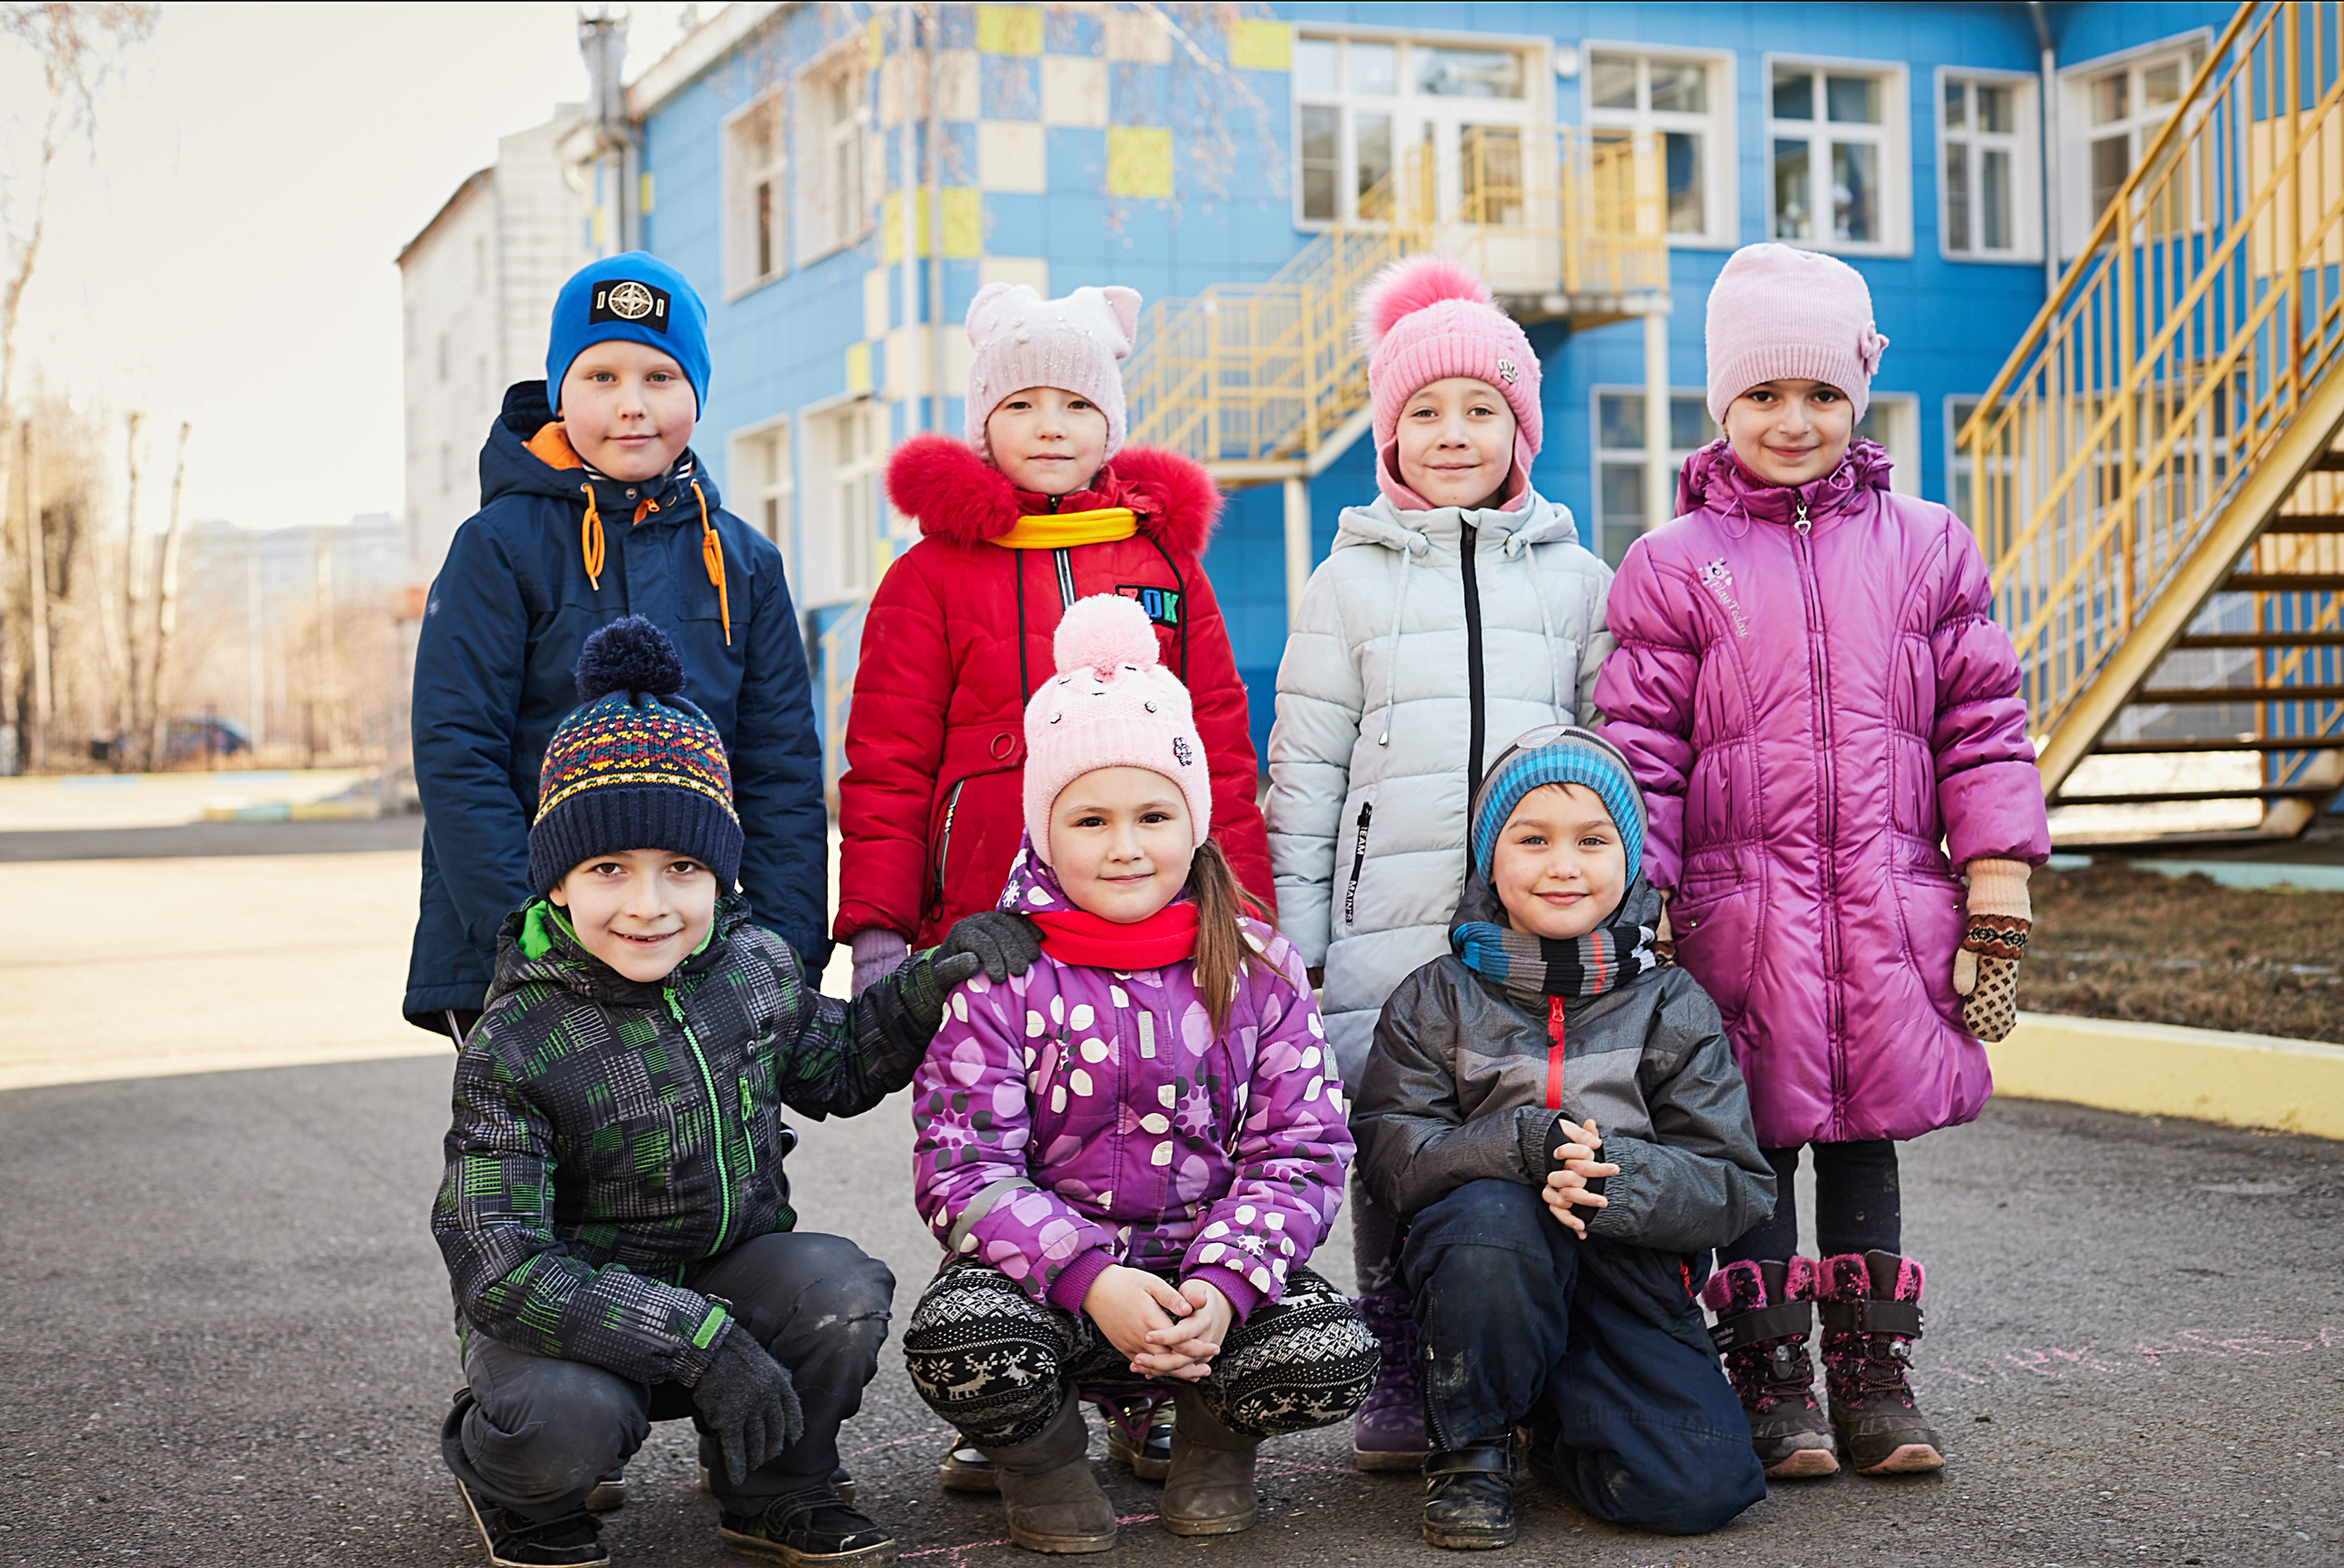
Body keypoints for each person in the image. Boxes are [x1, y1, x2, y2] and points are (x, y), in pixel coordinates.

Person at [432, 617, 1042, 1568]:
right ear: (556, 885)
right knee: (565, 1423)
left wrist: (932, 979)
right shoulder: (515, 1041)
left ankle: (774, 1488)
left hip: (722, 1276)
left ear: (720, 873)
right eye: (608, 870)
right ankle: (515, 1486)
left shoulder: (750, 968)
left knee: (838, 1289)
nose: (649, 905)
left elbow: (841, 1065)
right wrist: (697, 1341)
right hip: (570, 1325)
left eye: (682, 868)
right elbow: (500, 1268)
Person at [1596, 242, 2048, 1479]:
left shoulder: (1927, 544)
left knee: (1864, 1133)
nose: (1792, 421)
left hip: (1885, 905)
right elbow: (1641, 752)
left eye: (1819, 394)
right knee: (1746, 1140)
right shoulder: (1673, 563)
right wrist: (1637, 906)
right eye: (1762, 394)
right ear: (1721, 403)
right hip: (1733, 916)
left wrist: (1996, 875)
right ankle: (1770, 1378)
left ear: (1858, 397)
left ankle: (1874, 1378)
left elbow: (1981, 720)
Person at [901, 594, 1375, 1554]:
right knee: (958, 1339)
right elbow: (963, 1170)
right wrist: (1089, 1278)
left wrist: (1226, 1284)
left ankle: (1210, 1439)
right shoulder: (1003, 975)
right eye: (1091, 819)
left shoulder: (1259, 966)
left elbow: (1303, 1150)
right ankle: (1042, 1461)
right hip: (1054, 1291)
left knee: (1330, 1349)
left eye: (1154, 815)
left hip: (1205, 1289)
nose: (1125, 846)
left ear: (1192, 822)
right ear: (1045, 830)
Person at [1266, 254, 1613, 1469]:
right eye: (1424, 411)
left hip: (1540, 921)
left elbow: (1613, 761)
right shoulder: (1346, 582)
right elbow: (1306, 769)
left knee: (1531, 1129)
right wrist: (1301, 932)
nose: (1452, 433)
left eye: (1480, 408)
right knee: (1392, 1131)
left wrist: (1622, 908)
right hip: (1388, 920)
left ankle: (1528, 1363)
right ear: (1388, 433)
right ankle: (1401, 1360)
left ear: (1520, 428)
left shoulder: (1576, 579)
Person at [1353, 726, 1774, 1546]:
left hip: (1629, 1277)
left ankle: (1553, 1421)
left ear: (1631, 857)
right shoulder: (1435, 996)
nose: (1563, 865)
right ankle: (1473, 1444)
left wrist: (1619, 1175)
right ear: (1489, 858)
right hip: (1488, 1272)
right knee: (1492, 1223)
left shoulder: (1672, 1004)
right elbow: (1392, 1155)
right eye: (1532, 839)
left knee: (1698, 1487)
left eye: (1592, 839)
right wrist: (1518, 1144)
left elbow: (1735, 1182)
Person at [406, 251, 829, 1044]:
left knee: (716, 1132)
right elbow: (458, 752)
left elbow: (780, 772)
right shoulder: (497, 547)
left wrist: (787, 956)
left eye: (660, 378)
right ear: (560, 391)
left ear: (697, 391)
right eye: (600, 376)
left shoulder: (746, 563)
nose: (631, 405)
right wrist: (531, 937)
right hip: (524, 960)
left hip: (699, 951)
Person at [836, 281, 1274, 993]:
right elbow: (889, 768)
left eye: (1077, 404)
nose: (1051, 427)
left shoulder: (1165, 565)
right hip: (982, 924)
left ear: (1110, 422)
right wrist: (879, 934)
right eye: (1021, 405)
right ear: (984, 423)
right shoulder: (928, 576)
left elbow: (1218, 749)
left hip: (1154, 914)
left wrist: (1245, 917)